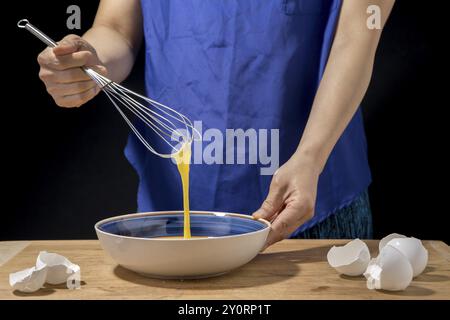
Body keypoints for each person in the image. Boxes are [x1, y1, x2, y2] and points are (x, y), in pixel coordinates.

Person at [36, 0, 395, 249]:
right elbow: (116, 28)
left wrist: (311, 157)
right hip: (176, 204)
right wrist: (90, 64)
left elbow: (359, 33)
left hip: (312, 202)